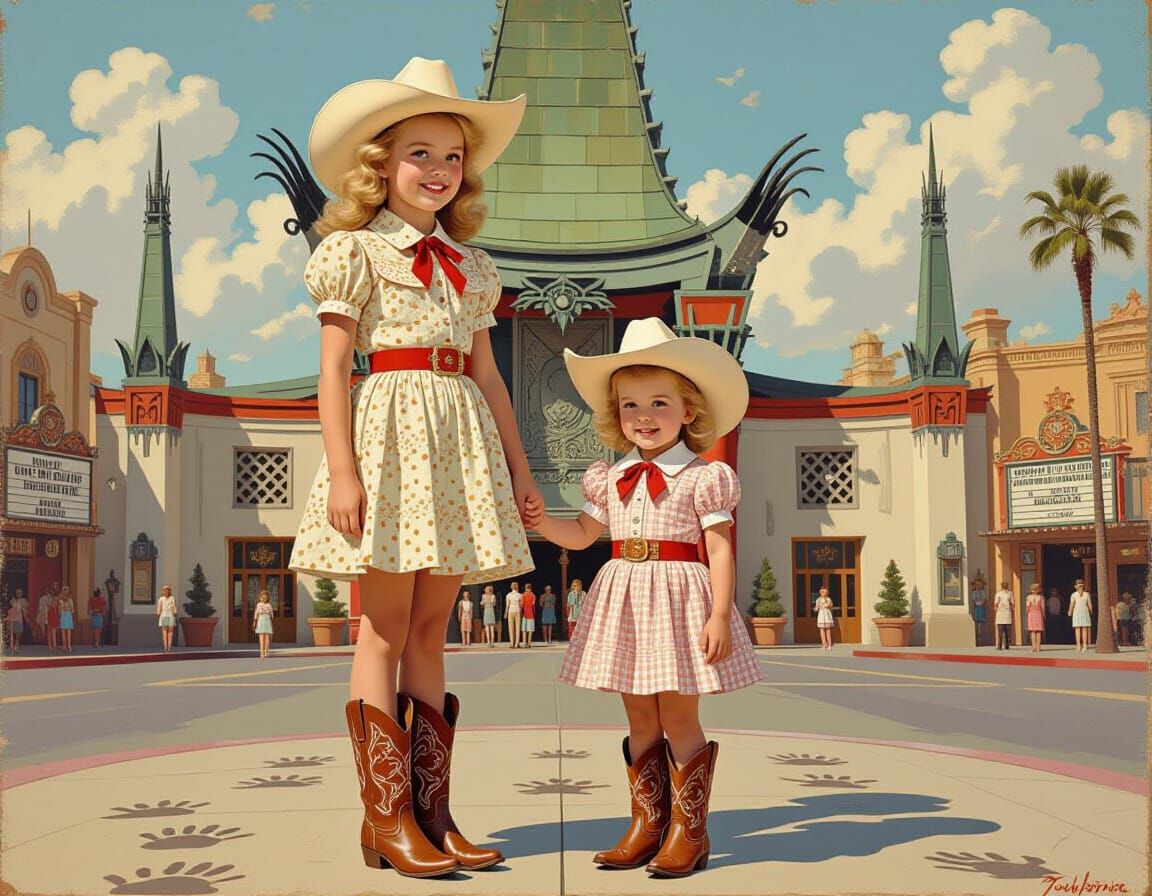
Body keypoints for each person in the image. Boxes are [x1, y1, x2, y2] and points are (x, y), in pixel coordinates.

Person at [285, 58, 535, 879]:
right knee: (384, 629)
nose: (438, 170)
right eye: (419, 153)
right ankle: (385, 818)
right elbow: (333, 371)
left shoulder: (473, 267)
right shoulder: (352, 252)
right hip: (389, 439)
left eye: (452, 156)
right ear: (380, 164)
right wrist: (343, 472)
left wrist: (520, 473)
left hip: (458, 443)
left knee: (433, 630)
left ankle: (432, 814)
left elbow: (489, 377)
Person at [528, 317, 762, 878]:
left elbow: (719, 549)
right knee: (639, 714)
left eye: (659, 403)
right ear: (616, 415)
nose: (644, 416)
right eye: (630, 405)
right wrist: (541, 521)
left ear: (689, 411)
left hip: (679, 597)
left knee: (677, 714)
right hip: (627, 597)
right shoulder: (610, 477)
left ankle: (689, 832)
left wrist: (720, 614)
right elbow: (583, 534)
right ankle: (647, 824)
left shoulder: (704, 477)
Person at [1069, 579, 1093, 652]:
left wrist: (1070, 611)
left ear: (1075, 586)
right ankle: (1082, 645)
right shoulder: (1085, 594)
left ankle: (1080, 646)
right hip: (1082, 611)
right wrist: (1091, 611)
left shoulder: (1075, 594)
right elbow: (1090, 605)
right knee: (1082, 629)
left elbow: (1072, 604)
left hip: (1079, 611)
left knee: (1079, 629)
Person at [157, 584, 178, 654]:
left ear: (169, 591)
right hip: (164, 616)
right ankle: (165, 648)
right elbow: (159, 610)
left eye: (167, 590)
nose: (166, 591)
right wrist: (159, 616)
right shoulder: (161, 599)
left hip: (170, 616)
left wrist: (175, 614)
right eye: (165, 590)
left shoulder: (172, 598)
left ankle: (168, 648)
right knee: (165, 633)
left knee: (170, 633)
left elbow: (174, 608)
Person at [253, 590, 275, 658]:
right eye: (262, 597)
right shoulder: (258, 604)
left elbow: (272, 615)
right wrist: (254, 622)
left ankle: (266, 651)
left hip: (267, 620)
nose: (264, 599)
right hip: (261, 620)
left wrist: (272, 622)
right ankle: (261, 652)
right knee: (261, 637)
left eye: (265, 597)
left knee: (267, 637)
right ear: (260, 598)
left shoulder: (269, 605)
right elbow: (256, 613)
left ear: (267, 598)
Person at [993, 581, 1014, 650]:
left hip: (1005, 612)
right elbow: (996, 604)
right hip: (1002, 613)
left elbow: (1012, 603)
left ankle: (1004, 645)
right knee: (1002, 630)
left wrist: (1011, 605)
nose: (1005, 587)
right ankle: (1001, 645)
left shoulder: (1009, 593)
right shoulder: (999, 594)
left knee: (1005, 630)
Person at [1025, 583, 1045, 653]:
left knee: (1032, 631)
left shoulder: (1028, 597)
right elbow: (1042, 607)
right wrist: (1043, 615)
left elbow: (1027, 607)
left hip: (1031, 614)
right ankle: (1038, 647)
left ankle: (1033, 647)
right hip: (1038, 614)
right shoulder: (1041, 597)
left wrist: (1027, 613)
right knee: (1038, 631)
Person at [6, 589, 27, 655]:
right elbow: (9, 612)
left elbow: (24, 610)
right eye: (17, 593)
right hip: (12, 621)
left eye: (20, 592)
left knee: (18, 635)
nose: (18, 594)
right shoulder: (12, 602)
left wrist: (26, 618)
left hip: (19, 620)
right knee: (12, 636)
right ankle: (14, 649)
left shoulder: (23, 601)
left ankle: (15, 647)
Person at [505, 582, 523, 649]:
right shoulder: (519, 595)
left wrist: (505, 613)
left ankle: (512, 643)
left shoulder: (508, 595)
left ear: (511, 587)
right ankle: (516, 643)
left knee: (511, 628)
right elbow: (521, 605)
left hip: (510, 610)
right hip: (517, 610)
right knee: (517, 627)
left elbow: (507, 605)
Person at [521, 583, 536, 648]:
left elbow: (522, 605)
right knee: (530, 629)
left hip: (524, 613)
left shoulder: (523, 595)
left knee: (524, 629)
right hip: (531, 613)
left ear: (525, 588)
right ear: (531, 588)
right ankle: (529, 643)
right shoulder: (533, 595)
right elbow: (533, 604)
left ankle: (524, 643)